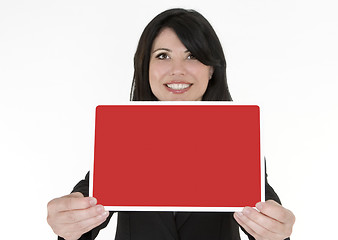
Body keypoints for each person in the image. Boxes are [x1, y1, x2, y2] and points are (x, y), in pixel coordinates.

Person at [47, 8, 295, 240]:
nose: (177, 70)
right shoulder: (123, 136)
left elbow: (262, 204)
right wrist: (69, 221)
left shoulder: (236, 137)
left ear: (211, 70)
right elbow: (90, 197)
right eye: (163, 56)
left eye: (193, 56)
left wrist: (275, 228)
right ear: (145, 66)